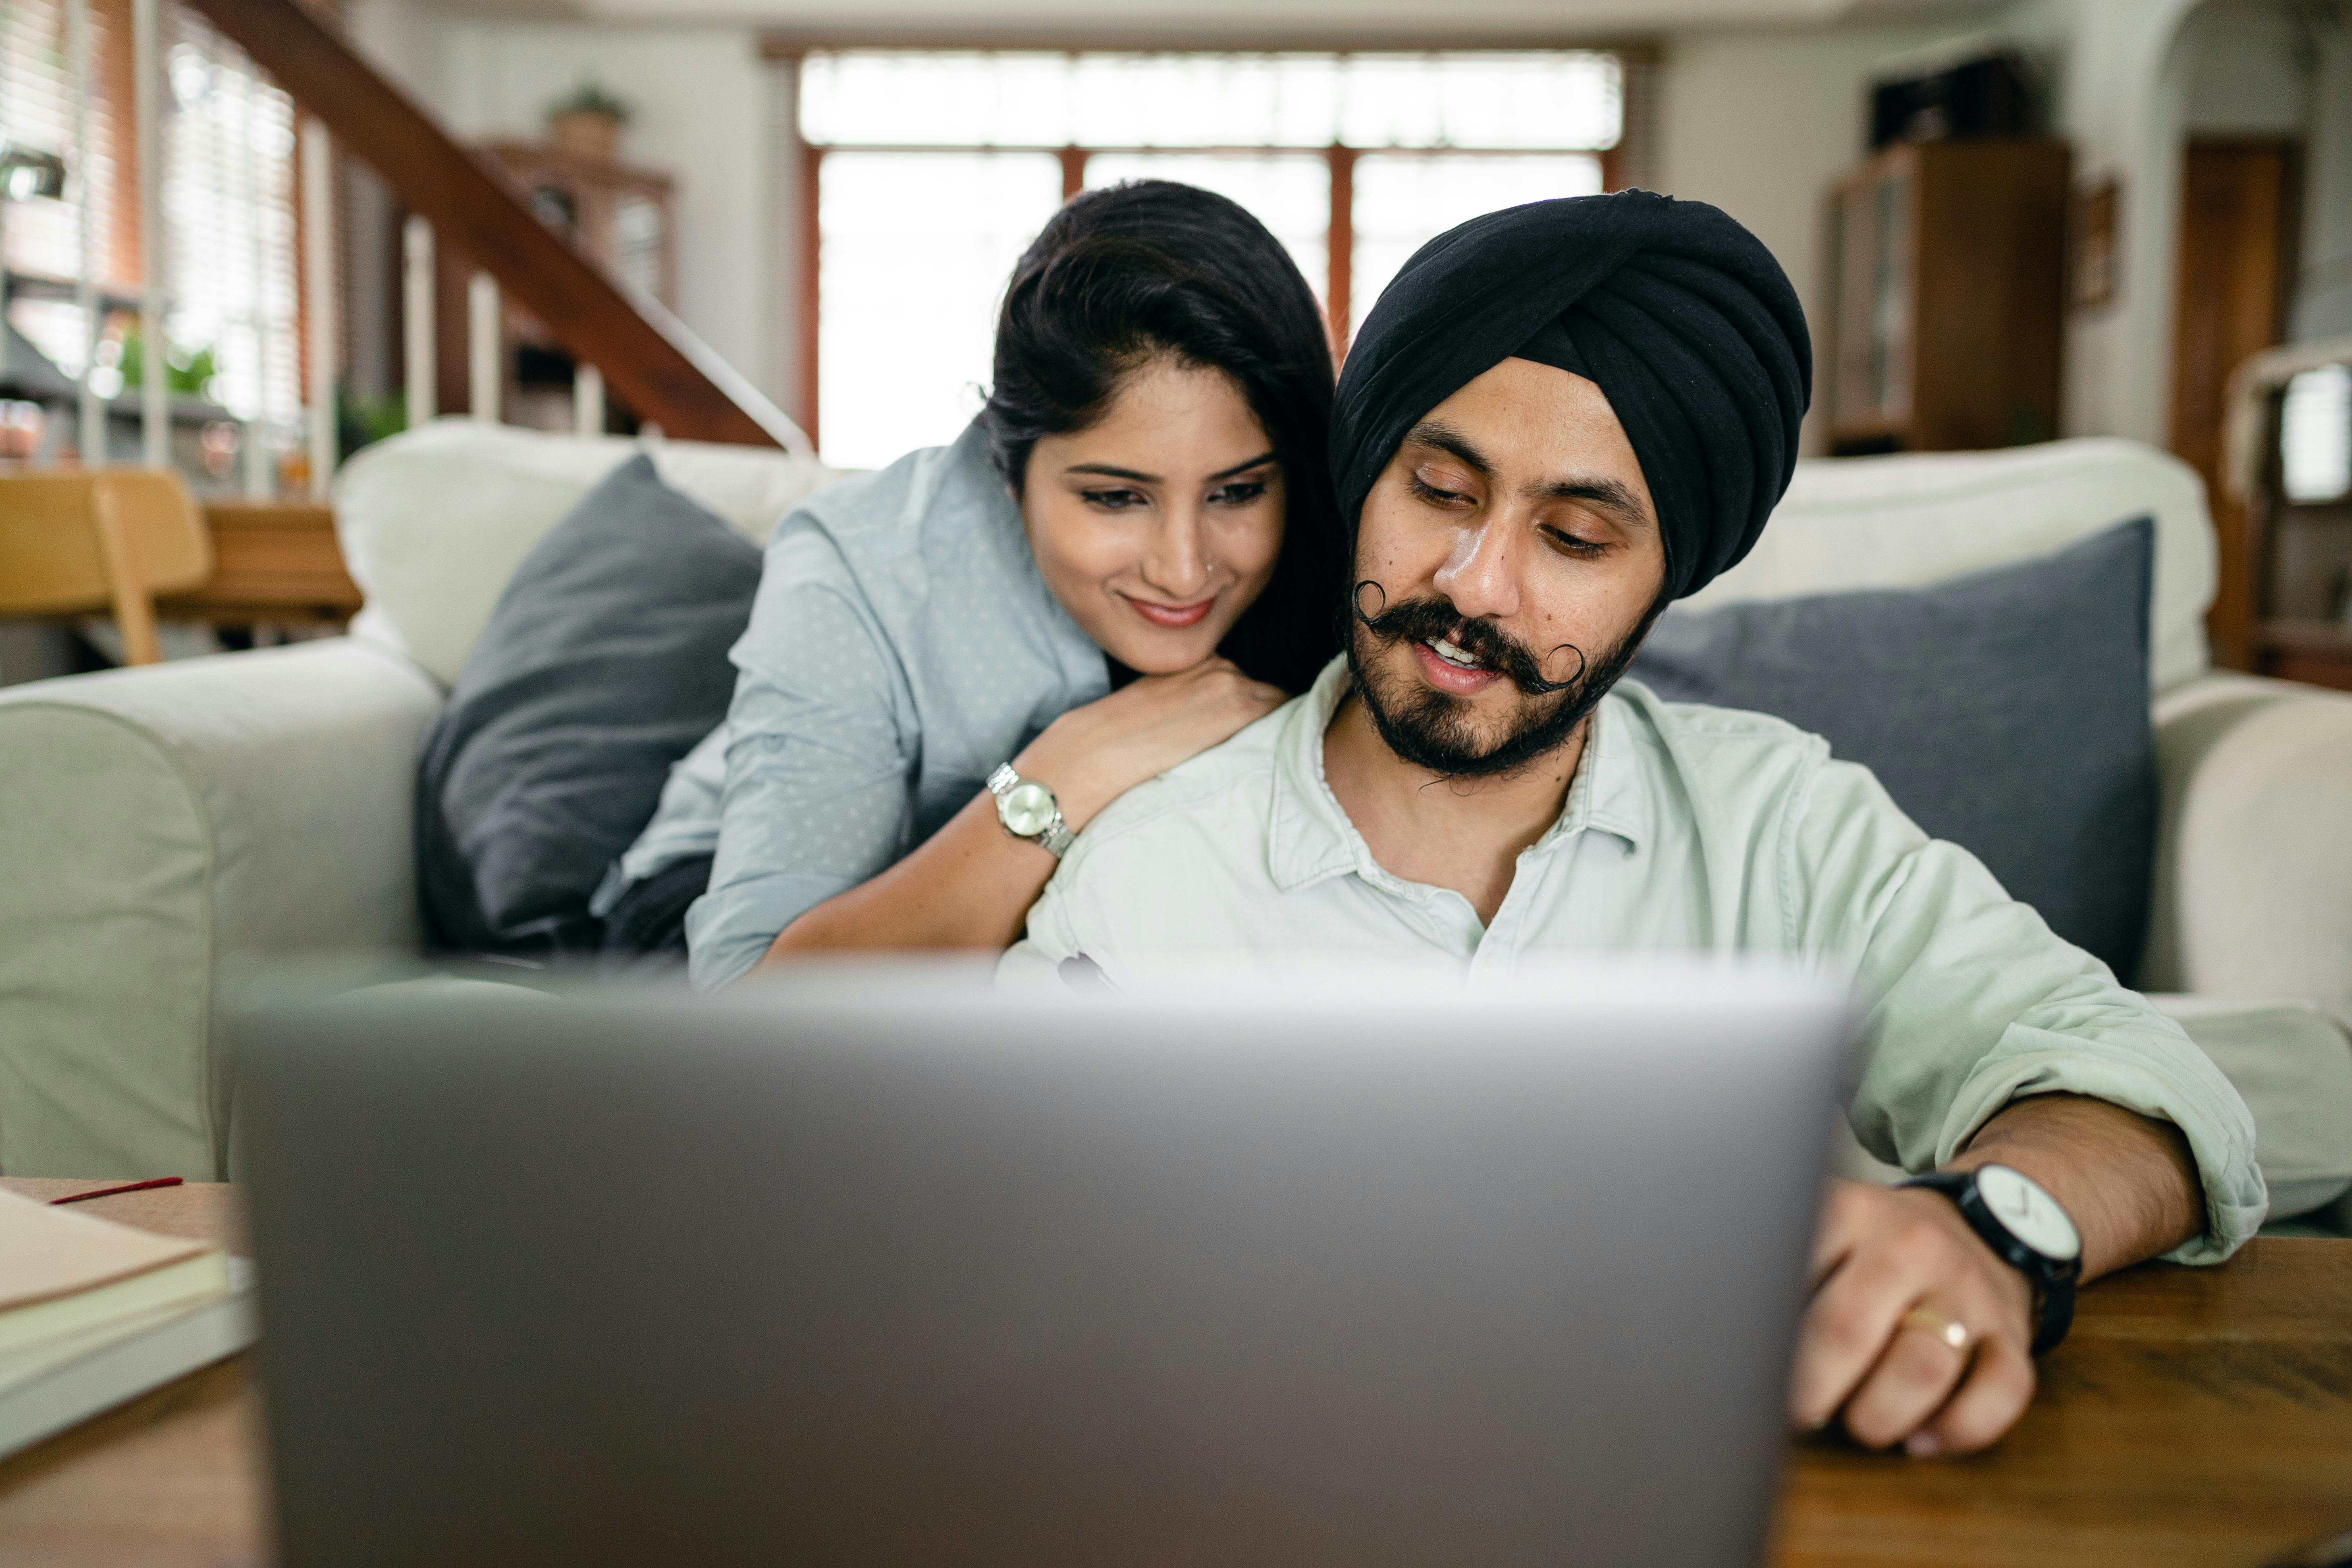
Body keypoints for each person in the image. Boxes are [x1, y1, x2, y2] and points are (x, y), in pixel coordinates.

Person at [1004, 191, 2264, 1458]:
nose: (1474, 585)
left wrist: (1985, 1230)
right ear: (1365, 474)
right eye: (1439, 490)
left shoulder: (1777, 822)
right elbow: (986, 1264)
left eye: (1574, 536)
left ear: (1668, 576)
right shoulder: (1147, 869)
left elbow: (2142, 1088)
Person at [592, 180, 1345, 986]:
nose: (1182, 566)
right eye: (1115, 497)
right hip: (722, 923)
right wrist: (1070, 767)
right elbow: (758, 1010)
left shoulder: (1340, 551)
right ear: (1008, 467)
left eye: (1236, 492)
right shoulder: (856, 562)